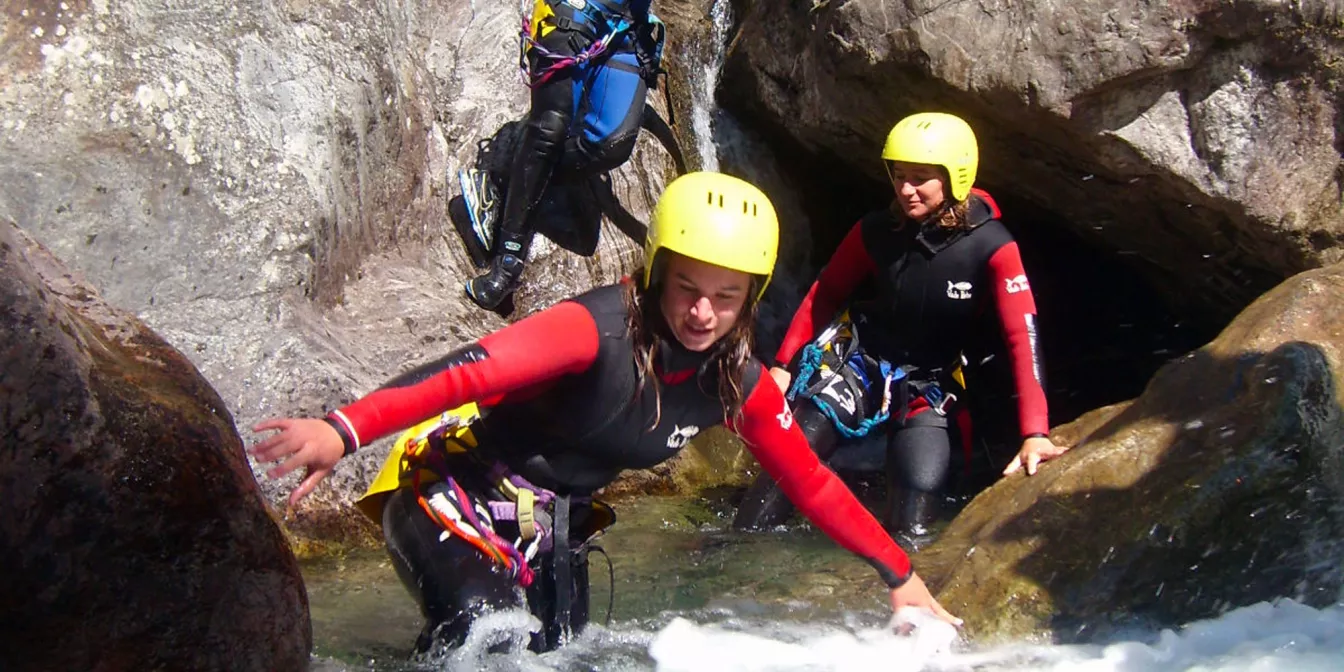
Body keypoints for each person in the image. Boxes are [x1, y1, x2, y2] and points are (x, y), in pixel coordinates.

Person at [251, 172, 962, 654]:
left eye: (726, 295)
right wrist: (341, 431)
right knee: (482, 635)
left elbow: (811, 482)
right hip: (454, 501)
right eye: (685, 287)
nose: (702, 313)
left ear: (752, 296)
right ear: (655, 270)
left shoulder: (737, 384)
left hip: (553, 530)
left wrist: (901, 575)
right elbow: (465, 373)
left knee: (563, 658)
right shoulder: (595, 329)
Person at [762, 112, 1069, 540]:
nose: (905, 190)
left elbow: (1023, 336)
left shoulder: (992, 246)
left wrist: (1034, 432)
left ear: (954, 178)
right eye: (899, 176)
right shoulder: (876, 231)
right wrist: (783, 366)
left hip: (932, 383)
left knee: (916, 517)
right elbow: (824, 294)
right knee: (785, 461)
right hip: (860, 367)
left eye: (920, 178)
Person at [462, 0, 665, 310]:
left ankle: (513, 176)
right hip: (576, 8)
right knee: (550, 127)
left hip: (628, 26)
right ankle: (508, 259)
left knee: (613, 144)